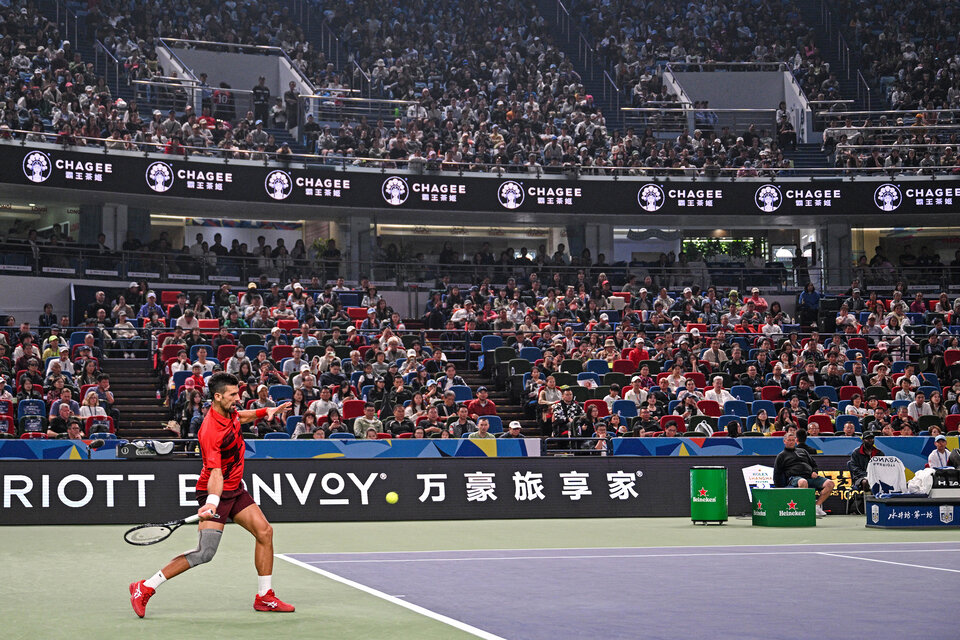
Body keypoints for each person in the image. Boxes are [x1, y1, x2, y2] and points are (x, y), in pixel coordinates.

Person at [129, 373, 293, 617]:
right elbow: (215, 473)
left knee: (265, 532)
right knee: (204, 553)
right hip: (214, 492)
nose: (238, 399)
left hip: (235, 489)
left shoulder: (229, 413)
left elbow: (241, 417)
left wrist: (265, 412)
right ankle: (145, 587)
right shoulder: (210, 430)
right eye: (233, 395)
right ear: (217, 397)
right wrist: (212, 503)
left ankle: (264, 596)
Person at [773, 431, 835, 517]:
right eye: (789, 440)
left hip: (810, 477)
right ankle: (806, 508)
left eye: (793, 440)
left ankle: (816, 506)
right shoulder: (781, 456)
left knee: (830, 483)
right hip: (795, 478)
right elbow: (777, 473)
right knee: (803, 482)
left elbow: (814, 465)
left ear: (795, 440)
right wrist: (779, 489)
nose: (791, 442)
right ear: (784, 441)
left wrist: (814, 471)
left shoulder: (803, 451)